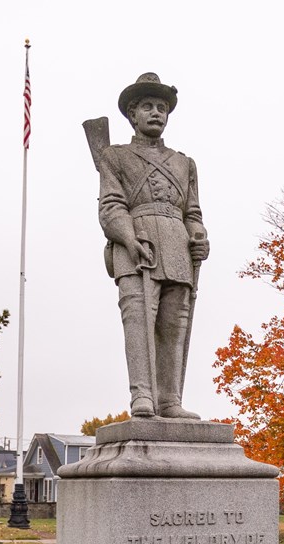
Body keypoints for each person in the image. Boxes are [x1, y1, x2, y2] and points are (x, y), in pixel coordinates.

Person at [97, 73, 210, 419]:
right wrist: (129, 239)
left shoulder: (184, 163)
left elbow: (192, 211)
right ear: (132, 114)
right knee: (138, 319)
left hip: (177, 248)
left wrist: (199, 235)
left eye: (161, 107)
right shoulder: (114, 157)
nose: (156, 113)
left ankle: (169, 400)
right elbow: (111, 206)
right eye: (147, 106)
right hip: (136, 245)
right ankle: (141, 395)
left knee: (174, 324)